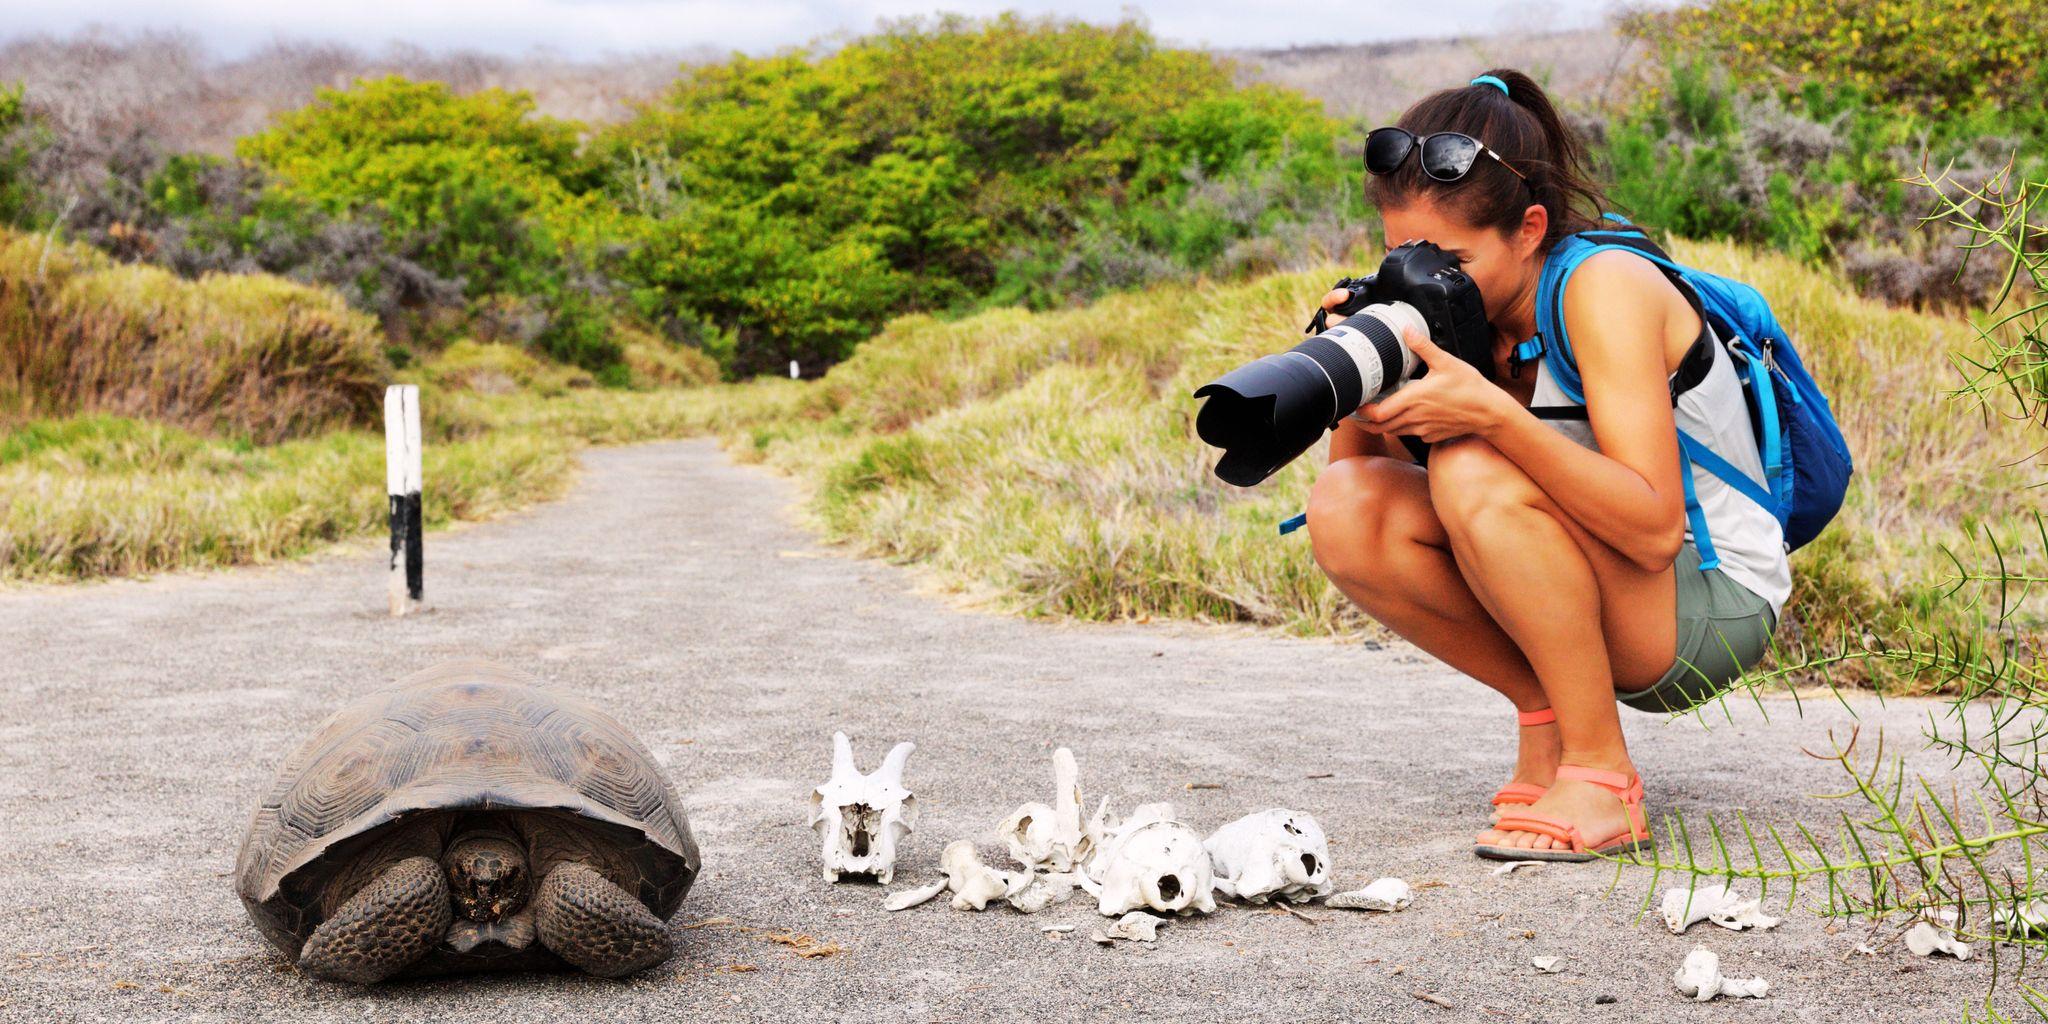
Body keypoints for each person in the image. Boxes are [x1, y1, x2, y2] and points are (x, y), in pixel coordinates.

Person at [1305, 69, 1788, 862]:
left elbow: (1655, 528)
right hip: (1613, 586)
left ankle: (1602, 776)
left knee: (1470, 469)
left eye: (1451, 259)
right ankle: (1549, 724)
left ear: (1530, 229)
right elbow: (1365, 482)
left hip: (1709, 600)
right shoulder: (1457, 317)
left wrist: (1491, 415)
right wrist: (1360, 373)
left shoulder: (1603, 288)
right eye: (1403, 255)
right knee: (1346, 506)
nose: (1426, 278)